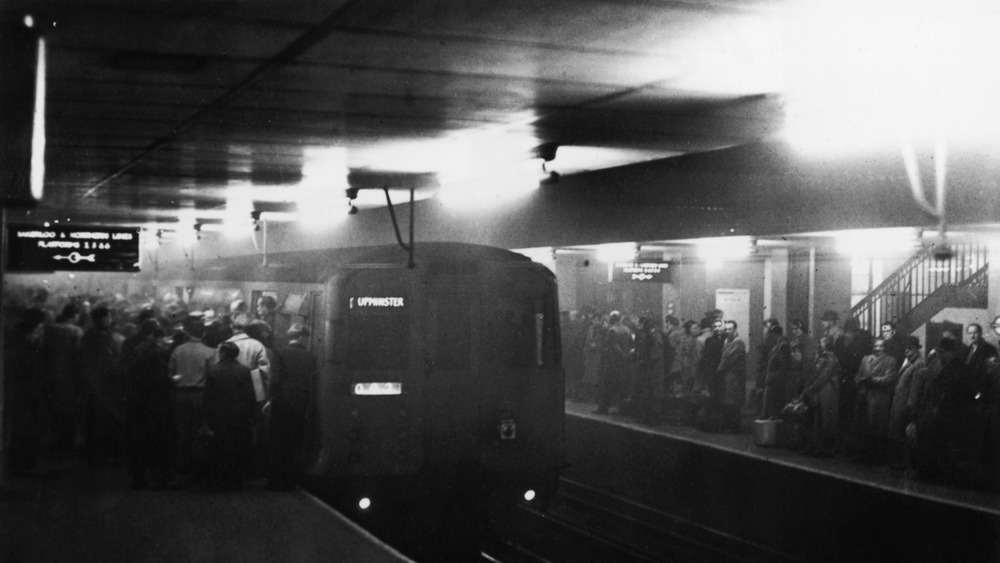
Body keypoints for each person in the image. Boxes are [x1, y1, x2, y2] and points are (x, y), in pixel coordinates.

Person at [124, 318, 175, 489]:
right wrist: (171, 381)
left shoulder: (135, 351)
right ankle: (160, 478)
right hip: (156, 404)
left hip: (138, 402)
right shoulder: (154, 354)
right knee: (159, 441)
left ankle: (139, 477)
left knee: (140, 441)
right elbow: (161, 380)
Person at [265, 324, 317, 489]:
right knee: (295, 443)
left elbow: (274, 380)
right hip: (300, 404)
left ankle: (275, 481)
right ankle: (290, 481)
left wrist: (268, 399)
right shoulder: (310, 357)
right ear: (302, 338)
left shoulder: (279, 353)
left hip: (281, 403)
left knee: (278, 442)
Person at [205, 341, 257, 490]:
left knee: (219, 446)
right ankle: (235, 479)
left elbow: (208, 396)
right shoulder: (245, 371)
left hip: (218, 414)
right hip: (239, 415)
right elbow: (250, 395)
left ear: (222, 353)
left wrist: (207, 417)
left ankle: (219, 479)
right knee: (236, 446)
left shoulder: (213, 370)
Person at [80, 306, 125, 467]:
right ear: (103, 318)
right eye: (109, 316)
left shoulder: (89, 335)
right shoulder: (103, 337)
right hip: (104, 386)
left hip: (92, 384)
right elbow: (108, 362)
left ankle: (96, 456)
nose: (111, 319)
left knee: (94, 422)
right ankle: (102, 457)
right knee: (104, 422)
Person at [168, 320, 216, 475]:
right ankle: (198, 468)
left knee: (182, 431)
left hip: (181, 394)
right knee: (198, 431)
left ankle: (182, 466)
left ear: (187, 333)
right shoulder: (210, 352)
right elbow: (212, 377)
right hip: (200, 394)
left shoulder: (178, 350)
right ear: (203, 333)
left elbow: (170, 374)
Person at [5, 309, 48, 477]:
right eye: (38, 331)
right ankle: (22, 466)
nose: (39, 334)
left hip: (21, 397)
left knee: (21, 432)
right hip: (25, 398)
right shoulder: (24, 352)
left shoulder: (18, 345)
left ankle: (22, 465)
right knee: (24, 433)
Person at [850, 337, 898, 463]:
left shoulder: (890, 361)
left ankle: (875, 457)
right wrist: (859, 382)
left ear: (885, 347)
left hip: (879, 398)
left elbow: (889, 379)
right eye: (876, 346)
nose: (878, 348)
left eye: (881, 346)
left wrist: (871, 380)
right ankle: (862, 454)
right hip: (864, 396)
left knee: (876, 428)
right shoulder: (866, 359)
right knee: (862, 426)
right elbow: (858, 375)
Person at [887, 336, 926, 469]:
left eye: (909, 348)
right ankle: (899, 461)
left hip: (906, 404)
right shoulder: (908, 361)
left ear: (916, 349)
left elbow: (915, 387)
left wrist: (910, 406)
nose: (906, 350)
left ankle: (904, 463)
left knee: (903, 433)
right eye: (905, 348)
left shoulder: (919, 363)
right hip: (899, 401)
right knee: (898, 432)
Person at [800, 336, 840, 457]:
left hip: (826, 391)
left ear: (827, 344)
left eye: (822, 342)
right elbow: (813, 374)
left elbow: (823, 377)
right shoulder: (820, 357)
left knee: (824, 419)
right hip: (817, 391)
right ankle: (813, 446)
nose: (819, 344)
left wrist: (809, 389)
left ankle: (822, 449)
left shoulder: (832, 359)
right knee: (814, 419)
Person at [595, 311, 632, 415]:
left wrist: (621, 355)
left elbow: (614, 345)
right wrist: (626, 355)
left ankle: (603, 408)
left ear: (613, 318)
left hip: (613, 362)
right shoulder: (627, 329)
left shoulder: (612, 330)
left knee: (608, 386)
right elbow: (630, 344)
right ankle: (623, 409)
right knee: (623, 387)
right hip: (624, 363)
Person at [715, 320, 746, 433]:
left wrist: (719, 369)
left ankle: (733, 427)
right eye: (726, 329)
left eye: (730, 329)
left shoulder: (738, 342)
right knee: (727, 401)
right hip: (726, 376)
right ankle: (728, 425)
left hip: (733, 376)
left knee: (732, 401)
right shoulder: (727, 341)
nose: (728, 331)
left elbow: (730, 359)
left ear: (735, 330)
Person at [760, 322, 791, 420]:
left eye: (771, 334)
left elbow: (784, 365)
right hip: (772, 378)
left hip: (776, 379)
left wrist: (775, 377)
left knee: (773, 402)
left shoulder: (783, 345)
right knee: (770, 401)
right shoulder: (777, 345)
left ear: (775, 334)